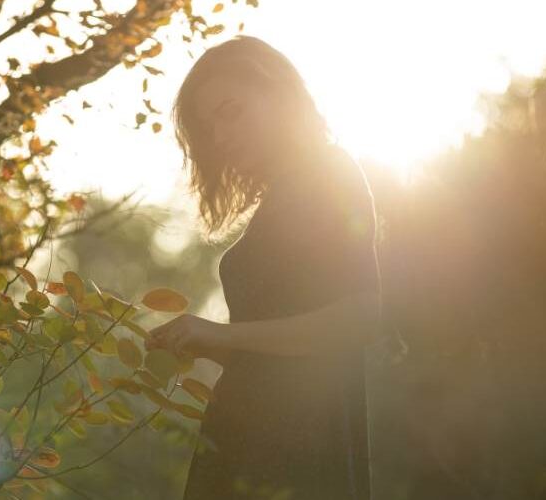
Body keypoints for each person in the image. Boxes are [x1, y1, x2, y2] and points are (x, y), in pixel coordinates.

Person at [144, 35, 383, 500]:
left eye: (230, 111)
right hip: (248, 441)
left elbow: (359, 319)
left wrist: (219, 335)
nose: (220, 136)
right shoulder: (285, 195)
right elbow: (278, 350)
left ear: (279, 97)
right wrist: (202, 342)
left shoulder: (328, 173)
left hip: (299, 450)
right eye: (208, 126)